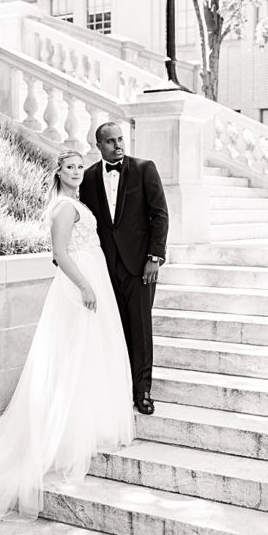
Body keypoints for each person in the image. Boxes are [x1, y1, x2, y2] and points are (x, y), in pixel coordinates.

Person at [0, 150, 134, 520]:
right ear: (58, 171)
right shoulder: (63, 207)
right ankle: (62, 430)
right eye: (70, 167)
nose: (77, 172)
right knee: (74, 355)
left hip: (93, 277)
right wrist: (85, 286)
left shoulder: (76, 202)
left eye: (80, 167)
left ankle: (88, 419)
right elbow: (60, 252)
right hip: (80, 284)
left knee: (90, 354)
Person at [79, 122, 169, 415]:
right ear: (99, 146)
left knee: (141, 329)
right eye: (111, 141)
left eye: (121, 139)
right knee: (115, 330)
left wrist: (154, 258)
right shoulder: (89, 177)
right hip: (106, 267)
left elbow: (159, 214)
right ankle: (119, 387)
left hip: (140, 266)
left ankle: (142, 391)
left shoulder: (145, 169)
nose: (118, 145)